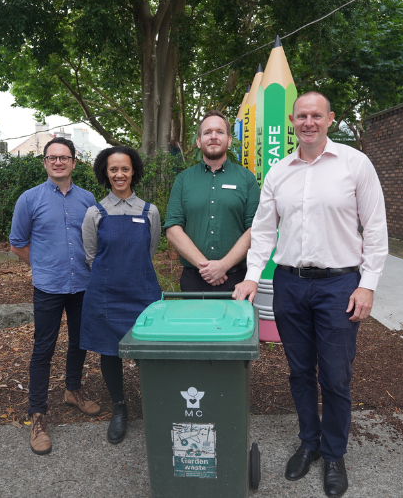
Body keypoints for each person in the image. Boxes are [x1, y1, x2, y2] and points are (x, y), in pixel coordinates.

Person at [233, 92, 388, 498]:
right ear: (291, 120)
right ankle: (309, 443)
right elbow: (265, 230)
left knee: (336, 375)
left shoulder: (355, 164)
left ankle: (334, 454)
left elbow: (374, 229)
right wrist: (252, 276)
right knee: (300, 371)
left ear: (329, 119)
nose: (308, 122)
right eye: (301, 116)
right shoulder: (279, 172)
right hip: (290, 285)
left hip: (339, 285)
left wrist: (367, 284)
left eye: (315, 115)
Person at [9, 137, 101, 456]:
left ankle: (73, 390)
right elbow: (18, 242)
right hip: (48, 287)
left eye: (64, 157)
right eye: (52, 158)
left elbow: (94, 239)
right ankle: (38, 416)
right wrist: (43, 265)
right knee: (43, 349)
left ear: (74, 162)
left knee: (80, 341)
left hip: (83, 286)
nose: (58, 162)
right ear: (45, 163)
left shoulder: (88, 199)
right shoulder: (29, 199)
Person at [80, 146, 161, 445]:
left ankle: (155, 405)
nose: (119, 174)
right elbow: (91, 256)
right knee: (109, 351)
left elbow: (149, 251)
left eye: (125, 168)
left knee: (148, 353)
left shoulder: (149, 211)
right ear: (105, 172)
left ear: (133, 171)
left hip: (142, 292)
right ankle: (119, 408)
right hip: (105, 294)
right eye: (113, 169)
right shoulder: (94, 213)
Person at [164, 110, 260, 291]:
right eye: (207, 132)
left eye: (220, 132)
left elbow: (255, 228)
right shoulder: (183, 180)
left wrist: (223, 265)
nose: (213, 137)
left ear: (229, 140)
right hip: (194, 280)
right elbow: (173, 229)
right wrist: (206, 268)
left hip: (237, 280)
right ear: (199, 141)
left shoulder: (246, 179)